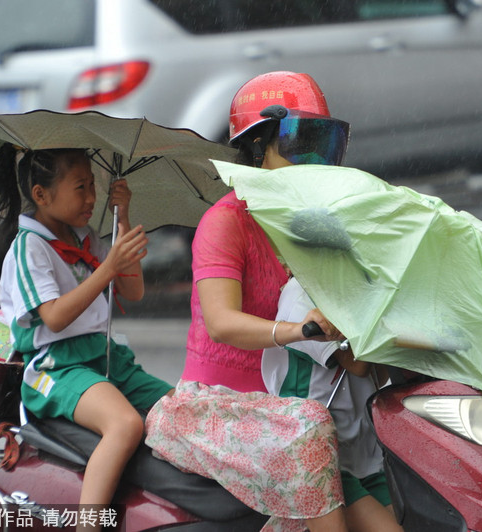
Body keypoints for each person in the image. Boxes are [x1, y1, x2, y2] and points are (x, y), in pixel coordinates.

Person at [145, 72, 358, 532]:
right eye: (300, 144)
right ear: (258, 148)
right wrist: (302, 331)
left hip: (275, 402)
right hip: (209, 408)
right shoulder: (225, 222)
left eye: (323, 143)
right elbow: (221, 322)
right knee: (310, 426)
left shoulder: (308, 227)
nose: (313, 161)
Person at [0, 146, 174, 525]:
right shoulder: (28, 248)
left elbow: (133, 291)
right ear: (41, 195)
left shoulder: (85, 236)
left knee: (180, 410)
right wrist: (108, 268)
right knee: (125, 425)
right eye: (80, 187)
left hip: (104, 358)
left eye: (93, 185)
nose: (92, 198)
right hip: (56, 367)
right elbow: (54, 318)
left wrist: (123, 222)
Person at [263, 276, 402, 532]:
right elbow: (356, 363)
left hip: (362, 452)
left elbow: (379, 374)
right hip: (317, 454)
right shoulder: (301, 294)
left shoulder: (362, 290)